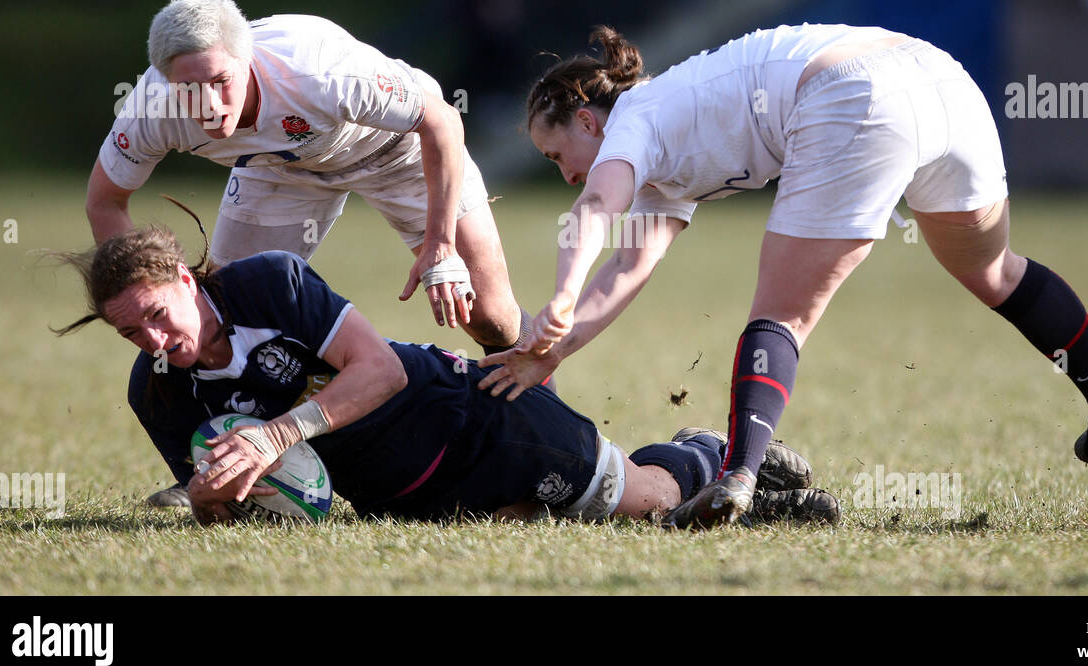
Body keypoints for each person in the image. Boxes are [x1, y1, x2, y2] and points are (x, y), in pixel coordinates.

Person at [477, 24, 1088, 528]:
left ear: (589, 121)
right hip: (939, 78)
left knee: (781, 315)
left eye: (554, 151)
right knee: (993, 269)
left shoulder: (635, 118)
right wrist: (554, 350)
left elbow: (597, 205)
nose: (563, 170)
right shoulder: (665, 155)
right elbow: (627, 268)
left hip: (856, 95)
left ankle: (737, 478)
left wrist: (560, 297)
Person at [50, 224, 840, 526]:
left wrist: (282, 431)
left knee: (643, 505)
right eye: (131, 332)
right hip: (399, 492)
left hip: (467, 412)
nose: (155, 339)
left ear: (187, 282)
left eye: (158, 313)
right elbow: (213, 502)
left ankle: (705, 451)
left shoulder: (266, 284)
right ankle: (716, 477)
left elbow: (382, 371)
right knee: (518, 528)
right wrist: (216, 490)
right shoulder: (154, 389)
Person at [89, 0, 539, 507]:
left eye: (220, 83)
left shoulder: (317, 71)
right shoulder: (151, 105)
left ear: (246, 59)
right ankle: (215, 458)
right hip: (279, 170)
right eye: (189, 90)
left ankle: (540, 432)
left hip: (398, 150)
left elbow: (442, 122)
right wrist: (149, 294)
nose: (207, 106)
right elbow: (105, 200)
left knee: (488, 315)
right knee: (218, 316)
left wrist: (441, 248)